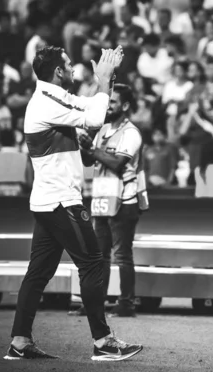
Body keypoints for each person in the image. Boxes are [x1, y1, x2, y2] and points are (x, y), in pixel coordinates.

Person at [6, 45, 143, 361]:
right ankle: (103, 342)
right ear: (58, 71)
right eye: (69, 65)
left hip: (48, 199)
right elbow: (95, 116)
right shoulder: (47, 100)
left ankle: (20, 341)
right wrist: (104, 82)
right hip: (61, 200)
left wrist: (102, 84)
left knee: (38, 272)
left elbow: (90, 109)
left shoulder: (53, 97)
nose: (73, 69)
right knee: (93, 261)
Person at [71, 84, 149, 318]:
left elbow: (116, 163)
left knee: (122, 255)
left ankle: (126, 304)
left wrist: (91, 150)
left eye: (112, 102)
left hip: (125, 200)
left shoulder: (131, 132)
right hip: (103, 198)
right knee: (99, 255)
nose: (108, 106)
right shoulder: (103, 129)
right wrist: (85, 146)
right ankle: (95, 304)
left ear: (125, 106)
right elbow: (88, 162)